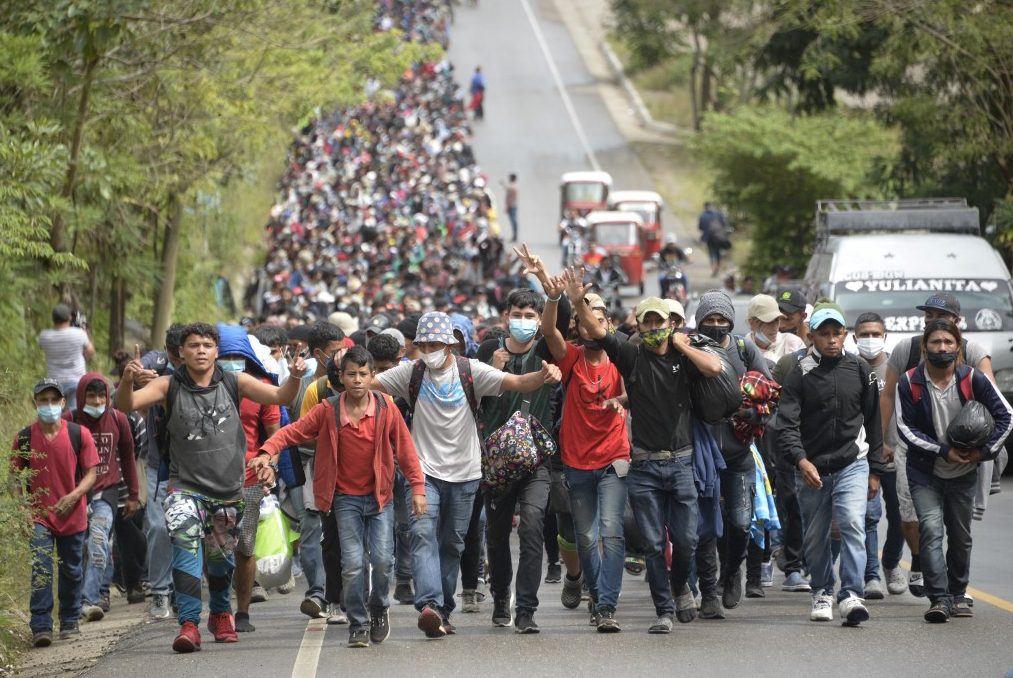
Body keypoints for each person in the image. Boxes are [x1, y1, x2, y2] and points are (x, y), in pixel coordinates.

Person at [115, 322, 307, 653]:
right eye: (193, 345)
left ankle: (220, 614)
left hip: (227, 491)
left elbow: (280, 396)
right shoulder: (167, 386)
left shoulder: (237, 381)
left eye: (207, 345)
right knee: (185, 545)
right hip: (184, 488)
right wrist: (127, 381)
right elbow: (124, 407)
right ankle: (189, 624)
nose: (201, 350)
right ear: (181, 352)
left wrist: (295, 376)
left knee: (221, 562)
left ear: (216, 351)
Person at [372, 311, 561, 639]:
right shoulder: (411, 373)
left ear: (449, 344)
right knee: (421, 534)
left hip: (467, 475)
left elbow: (515, 383)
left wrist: (543, 376)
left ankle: (442, 612)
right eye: (424, 343)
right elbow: (367, 382)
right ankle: (429, 604)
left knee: (451, 545)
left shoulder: (469, 370)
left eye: (435, 343)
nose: (429, 348)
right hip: (423, 473)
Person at [568, 277, 722, 634]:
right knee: (653, 544)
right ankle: (664, 611)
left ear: (672, 324)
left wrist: (681, 347)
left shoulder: (685, 358)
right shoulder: (631, 354)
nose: (653, 328)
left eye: (659, 321)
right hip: (645, 466)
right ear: (639, 325)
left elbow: (714, 369)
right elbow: (596, 330)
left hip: (682, 462)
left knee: (686, 541)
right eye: (647, 321)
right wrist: (578, 303)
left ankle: (679, 584)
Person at [256, 347, 427, 647]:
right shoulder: (327, 409)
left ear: (373, 376)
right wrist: (268, 450)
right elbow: (291, 432)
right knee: (351, 563)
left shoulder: (387, 408)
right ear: (341, 378)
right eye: (351, 374)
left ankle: (379, 610)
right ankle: (358, 623)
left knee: (383, 560)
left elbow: (406, 451)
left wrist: (418, 489)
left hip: (380, 498)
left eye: (363, 374)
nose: (358, 380)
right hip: (344, 499)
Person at [895, 318, 1012, 622]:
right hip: (924, 472)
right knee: (931, 531)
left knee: (960, 536)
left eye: (948, 342)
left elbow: (1006, 416)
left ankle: (958, 593)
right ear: (925, 347)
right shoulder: (909, 382)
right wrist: (942, 450)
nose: (942, 347)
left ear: (958, 347)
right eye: (936, 342)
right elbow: (905, 428)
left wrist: (983, 453)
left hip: (963, 474)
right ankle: (939, 598)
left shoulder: (973, 379)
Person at [777, 302, 885, 626]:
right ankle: (822, 591)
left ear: (845, 335)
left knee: (852, 522)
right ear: (812, 336)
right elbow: (786, 425)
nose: (832, 339)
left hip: (852, 463)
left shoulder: (860, 371)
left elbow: (874, 422)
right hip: (811, 469)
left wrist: (876, 470)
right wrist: (801, 460)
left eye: (837, 333)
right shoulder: (799, 374)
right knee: (815, 535)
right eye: (824, 334)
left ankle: (851, 594)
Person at [879, 293, 994, 597]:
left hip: (963, 456)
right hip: (916, 450)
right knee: (914, 518)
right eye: (928, 315)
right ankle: (924, 567)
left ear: (958, 326)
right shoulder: (907, 350)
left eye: (941, 315)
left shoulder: (973, 353)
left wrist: (985, 451)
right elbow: (888, 395)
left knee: (958, 532)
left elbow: (992, 407)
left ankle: (953, 589)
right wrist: (883, 441)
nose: (933, 321)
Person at [539, 269, 630, 633]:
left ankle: (606, 605)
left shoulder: (622, 354)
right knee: (587, 537)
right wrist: (553, 298)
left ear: (607, 324)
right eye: (583, 321)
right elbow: (548, 332)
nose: (591, 327)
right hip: (576, 462)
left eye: (599, 319)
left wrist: (620, 401)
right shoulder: (572, 358)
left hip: (614, 458)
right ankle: (596, 594)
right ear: (575, 328)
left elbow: (634, 392)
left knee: (611, 531)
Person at [475, 288, 556, 634]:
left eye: (530, 315)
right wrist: (491, 374)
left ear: (538, 321)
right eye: (517, 314)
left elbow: (557, 324)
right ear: (506, 316)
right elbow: (473, 403)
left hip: (536, 460)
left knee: (533, 523)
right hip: (496, 462)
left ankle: (526, 609)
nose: (523, 320)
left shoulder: (546, 352)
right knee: (496, 535)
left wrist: (550, 292)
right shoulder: (485, 353)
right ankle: (499, 598)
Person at [692, 290, 773, 616]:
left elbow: (770, 394)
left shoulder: (744, 348)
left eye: (721, 319)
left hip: (739, 452)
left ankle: (731, 574)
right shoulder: (692, 350)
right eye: (709, 319)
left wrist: (754, 415)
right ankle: (709, 593)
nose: (715, 325)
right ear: (699, 322)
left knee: (740, 524)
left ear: (730, 321)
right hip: (703, 454)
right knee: (707, 528)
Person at [11, 380, 98, 647]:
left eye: (53, 399)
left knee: (72, 569)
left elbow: (91, 474)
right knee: (41, 569)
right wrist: (22, 508)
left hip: (74, 514)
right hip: (39, 516)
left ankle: (70, 619)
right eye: (42, 400)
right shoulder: (24, 438)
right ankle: (40, 625)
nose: (48, 405)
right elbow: (15, 477)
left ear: (62, 402)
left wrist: (74, 495)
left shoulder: (78, 434)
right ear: (34, 402)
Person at [215, 325, 282, 633]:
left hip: (250, 480)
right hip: (208, 480)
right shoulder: (199, 390)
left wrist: (270, 465)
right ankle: (220, 609)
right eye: (225, 356)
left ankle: (241, 612)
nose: (231, 361)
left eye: (236, 356)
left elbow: (274, 436)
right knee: (215, 548)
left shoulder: (261, 388)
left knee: (245, 547)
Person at [71, 373, 140, 623]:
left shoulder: (118, 419)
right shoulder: (71, 421)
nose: (97, 400)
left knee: (99, 539)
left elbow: (129, 457)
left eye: (102, 395)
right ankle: (99, 591)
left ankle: (87, 600)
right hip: (76, 494)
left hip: (106, 492)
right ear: (81, 397)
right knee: (83, 546)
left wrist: (133, 494)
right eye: (91, 395)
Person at [135, 324, 186, 619]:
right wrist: (137, 380)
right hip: (158, 464)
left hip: (192, 464)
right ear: (169, 352)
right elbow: (124, 396)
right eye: (176, 358)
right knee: (157, 526)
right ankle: (160, 592)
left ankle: (185, 589)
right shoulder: (154, 367)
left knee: (187, 528)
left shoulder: (203, 370)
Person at [851, 312, 903, 599]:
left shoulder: (898, 367)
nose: (870, 340)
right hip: (861, 457)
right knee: (869, 518)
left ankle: (891, 563)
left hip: (896, 456)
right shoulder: (849, 367)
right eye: (865, 334)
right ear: (854, 338)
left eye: (876, 334)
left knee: (901, 518)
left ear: (885, 337)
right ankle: (871, 576)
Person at [39, 304, 96, 411]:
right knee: (73, 415)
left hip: (55, 381)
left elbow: (42, 347)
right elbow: (90, 351)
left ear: (53, 319)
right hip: (77, 380)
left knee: (56, 415)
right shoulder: (79, 334)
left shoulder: (44, 336)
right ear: (69, 317)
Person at [745, 294, 805, 363]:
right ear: (751, 323)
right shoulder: (742, 351)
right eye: (768, 321)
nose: (775, 327)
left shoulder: (793, 342)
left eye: (777, 320)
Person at [697, 202, 729, 278]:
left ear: (705, 207)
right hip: (718, 237)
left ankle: (713, 268)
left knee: (711, 253)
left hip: (708, 238)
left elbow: (700, 227)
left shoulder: (702, 215)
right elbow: (724, 224)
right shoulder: (719, 214)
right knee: (718, 253)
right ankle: (717, 267)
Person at [500, 173, 519, 243]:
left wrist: (507, 207)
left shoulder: (513, 187)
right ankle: (514, 235)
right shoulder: (513, 186)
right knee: (513, 221)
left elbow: (510, 198)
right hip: (512, 206)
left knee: (513, 221)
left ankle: (515, 236)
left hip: (512, 206)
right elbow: (507, 189)